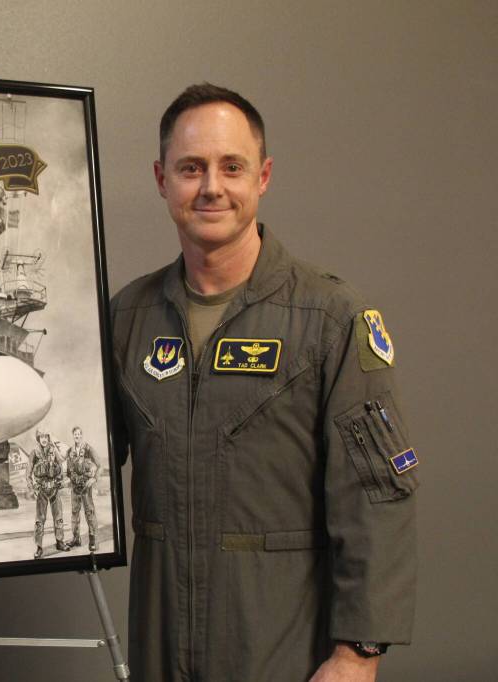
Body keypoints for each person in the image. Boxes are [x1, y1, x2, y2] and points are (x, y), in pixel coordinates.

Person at [111, 84, 418, 681]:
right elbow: (83, 456)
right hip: (160, 650)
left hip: (279, 651)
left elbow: (377, 494)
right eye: (190, 168)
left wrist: (358, 653)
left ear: (264, 176)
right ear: (161, 178)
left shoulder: (331, 318)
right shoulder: (126, 318)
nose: (211, 188)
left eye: (232, 167)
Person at [28, 429, 70, 559]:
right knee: (40, 521)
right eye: (41, 437)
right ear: (38, 439)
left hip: (54, 489)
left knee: (58, 517)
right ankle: (39, 547)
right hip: (41, 491)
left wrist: (61, 481)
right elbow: (28, 472)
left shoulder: (54, 451)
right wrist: (33, 487)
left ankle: (60, 542)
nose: (44, 439)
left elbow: (62, 464)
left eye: (46, 436)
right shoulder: (34, 453)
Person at [66, 426, 100, 552]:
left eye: (79, 434)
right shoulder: (70, 451)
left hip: (86, 487)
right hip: (75, 488)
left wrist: (94, 478)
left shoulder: (88, 449)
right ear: (73, 436)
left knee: (89, 513)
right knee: (74, 513)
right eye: (75, 434)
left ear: (82, 435)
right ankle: (76, 538)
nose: (77, 436)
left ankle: (93, 540)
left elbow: (99, 465)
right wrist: (70, 479)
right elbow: (69, 470)